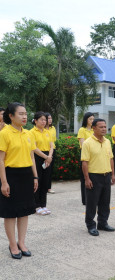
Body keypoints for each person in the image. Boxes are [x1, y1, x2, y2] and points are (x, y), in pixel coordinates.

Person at [0, 102, 38, 259]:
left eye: (26, 114)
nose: (25, 116)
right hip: (11, 176)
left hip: (26, 175)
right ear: (11, 116)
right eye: (21, 114)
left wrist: (35, 176)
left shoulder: (28, 134)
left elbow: (31, 156)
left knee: (24, 212)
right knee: (10, 213)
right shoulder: (4, 133)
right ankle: (13, 245)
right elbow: (1, 160)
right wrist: (4, 182)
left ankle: (21, 242)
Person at [81, 119, 115, 236]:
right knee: (92, 203)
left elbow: (111, 158)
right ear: (94, 128)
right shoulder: (87, 143)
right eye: (101, 127)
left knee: (105, 202)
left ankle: (102, 223)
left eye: (105, 127)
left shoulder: (107, 142)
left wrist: (113, 174)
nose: (104, 129)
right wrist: (87, 179)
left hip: (106, 175)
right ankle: (91, 225)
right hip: (94, 176)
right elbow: (84, 162)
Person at [30, 112, 54, 215]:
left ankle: (43, 205)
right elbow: (34, 148)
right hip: (37, 157)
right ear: (35, 121)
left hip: (47, 157)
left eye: (45, 120)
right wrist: (46, 157)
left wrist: (49, 157)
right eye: (42, 120)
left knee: (45, 182)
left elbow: (52, 145)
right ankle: (36, 205)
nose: (44, 122)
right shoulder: (31, 132)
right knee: (37, 182)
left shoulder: (47, 132)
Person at [77, 112, 95, 205]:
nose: (92, 121)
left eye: (93, 119)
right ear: (86, 120)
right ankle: (85, 199)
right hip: (85, 154)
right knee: (85, 177)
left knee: (93, 177)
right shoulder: (82, 130)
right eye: (90, 119)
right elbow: (83, 144)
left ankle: (93, 198)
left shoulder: (94, 130)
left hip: (94, 155)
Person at [45, 113, 56, 194]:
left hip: (52, 150)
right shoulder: (41, 129)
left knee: (50, 170)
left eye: (51, 118)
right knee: (43, 169)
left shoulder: (53, 128)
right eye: (48, 118)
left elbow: (53, 140)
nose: (50, 120)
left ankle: (48, 187)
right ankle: (42, 187)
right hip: (43, 151)